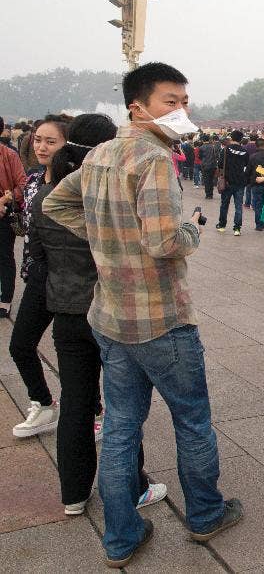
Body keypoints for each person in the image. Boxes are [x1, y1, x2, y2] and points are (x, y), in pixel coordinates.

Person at [43, 62, 241, 566]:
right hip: (161, 321)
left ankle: (122, 537)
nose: (181, 111)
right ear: (138, 107)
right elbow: (164, 240)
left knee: (121, 428)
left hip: (110, 316)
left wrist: (107, 238)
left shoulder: (104, 152)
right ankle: (204, 515)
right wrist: (194, 227)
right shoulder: (153, 158)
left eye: (184, 102)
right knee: (192, 420)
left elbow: (55, 205)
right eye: (169, 102)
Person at [35, 113, 166, 517]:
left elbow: (38, 259)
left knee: (75, 403)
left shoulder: (45, 195)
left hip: (66, 311)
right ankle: (134, 487)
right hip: (109, 310)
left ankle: (73, 494)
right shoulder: (110, 198)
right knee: (123, 404)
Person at [9, 115, 67, 438]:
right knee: (20, 345)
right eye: (38, 140)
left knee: (74, 352)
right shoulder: (32, 179)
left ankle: (95, 410)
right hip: (36, 274)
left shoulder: (71, 184)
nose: (42, 147)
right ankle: (43, 402)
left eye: (51, 141)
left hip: (68, 279)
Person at [0, 115, 27, 318]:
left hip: (4, 214)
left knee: (4, 256)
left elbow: (22, 183)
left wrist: (8, 198)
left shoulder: (8, 155)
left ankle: (5, 299)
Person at [216, 130, 248, 236]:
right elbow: (246, 166)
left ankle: (222, 225)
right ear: (241, 139)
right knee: (238, 206)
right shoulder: (245, 152)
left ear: (231, 138)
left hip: (227, 182)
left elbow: (220, 164)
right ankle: (237, 228)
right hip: (240, 182)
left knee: (224, 204)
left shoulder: (225, 150)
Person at [247, 138, 264, 231]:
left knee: (258, 204)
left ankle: (259, 225)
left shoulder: (252, 157)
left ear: (256, 146)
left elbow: (249, 171)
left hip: (256, 183)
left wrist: (249, 181)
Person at [198, 134, 221, 200]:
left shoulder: (201, 147)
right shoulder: (213, 147)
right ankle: (211, 193)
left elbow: (200, 157)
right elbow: (216, 156)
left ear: (203, 140)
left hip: (205, 165)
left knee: (206, 180)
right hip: (212, 165)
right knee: (211, 179)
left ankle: (208, 194)